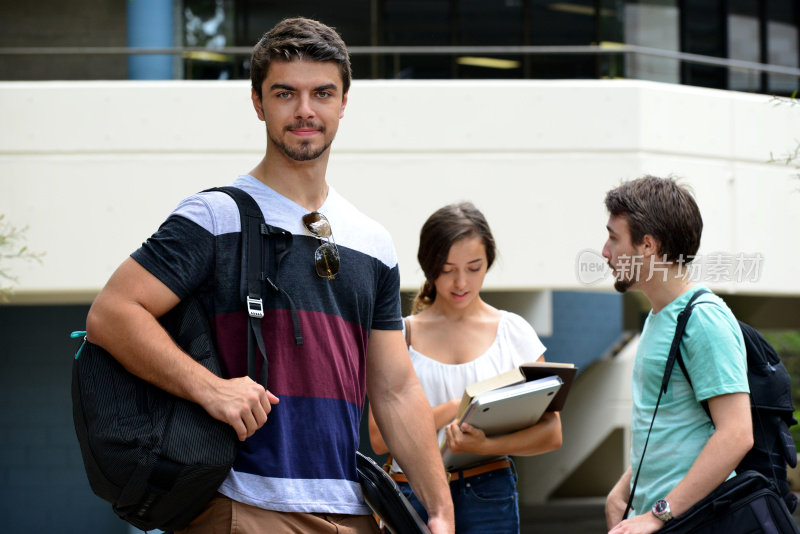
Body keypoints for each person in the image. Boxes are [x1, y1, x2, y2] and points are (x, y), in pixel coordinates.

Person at [85, 17, 454, 534]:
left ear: (344, 103)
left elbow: (394, 389)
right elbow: (112, 313)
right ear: (258, 103)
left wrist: (439, 510)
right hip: (243, 505)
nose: (305, 111)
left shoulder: (373, 243)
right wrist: (209, 387)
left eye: (322, 93)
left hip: (353, 508)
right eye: (286, 94)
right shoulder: (214, 218)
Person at [367, 202, 563, 533]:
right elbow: (377, 438)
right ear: (429, 267)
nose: (461, 282)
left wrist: (486, 446)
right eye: (447, 269)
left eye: (474, 268)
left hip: (489, 490)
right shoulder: (400, 335)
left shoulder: (513, 332)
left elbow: (552, 433)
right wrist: (457, 409)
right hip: (412, 492)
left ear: (489, 262)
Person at [602, 176, 753, 534]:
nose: (605, 252)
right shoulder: (659, 315)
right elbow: (673, 425)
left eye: (613, 237)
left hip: (695, 521)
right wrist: (624, 490)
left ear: (648, 246)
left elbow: (736, 433)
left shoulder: (703, 318)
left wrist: (658, 514)